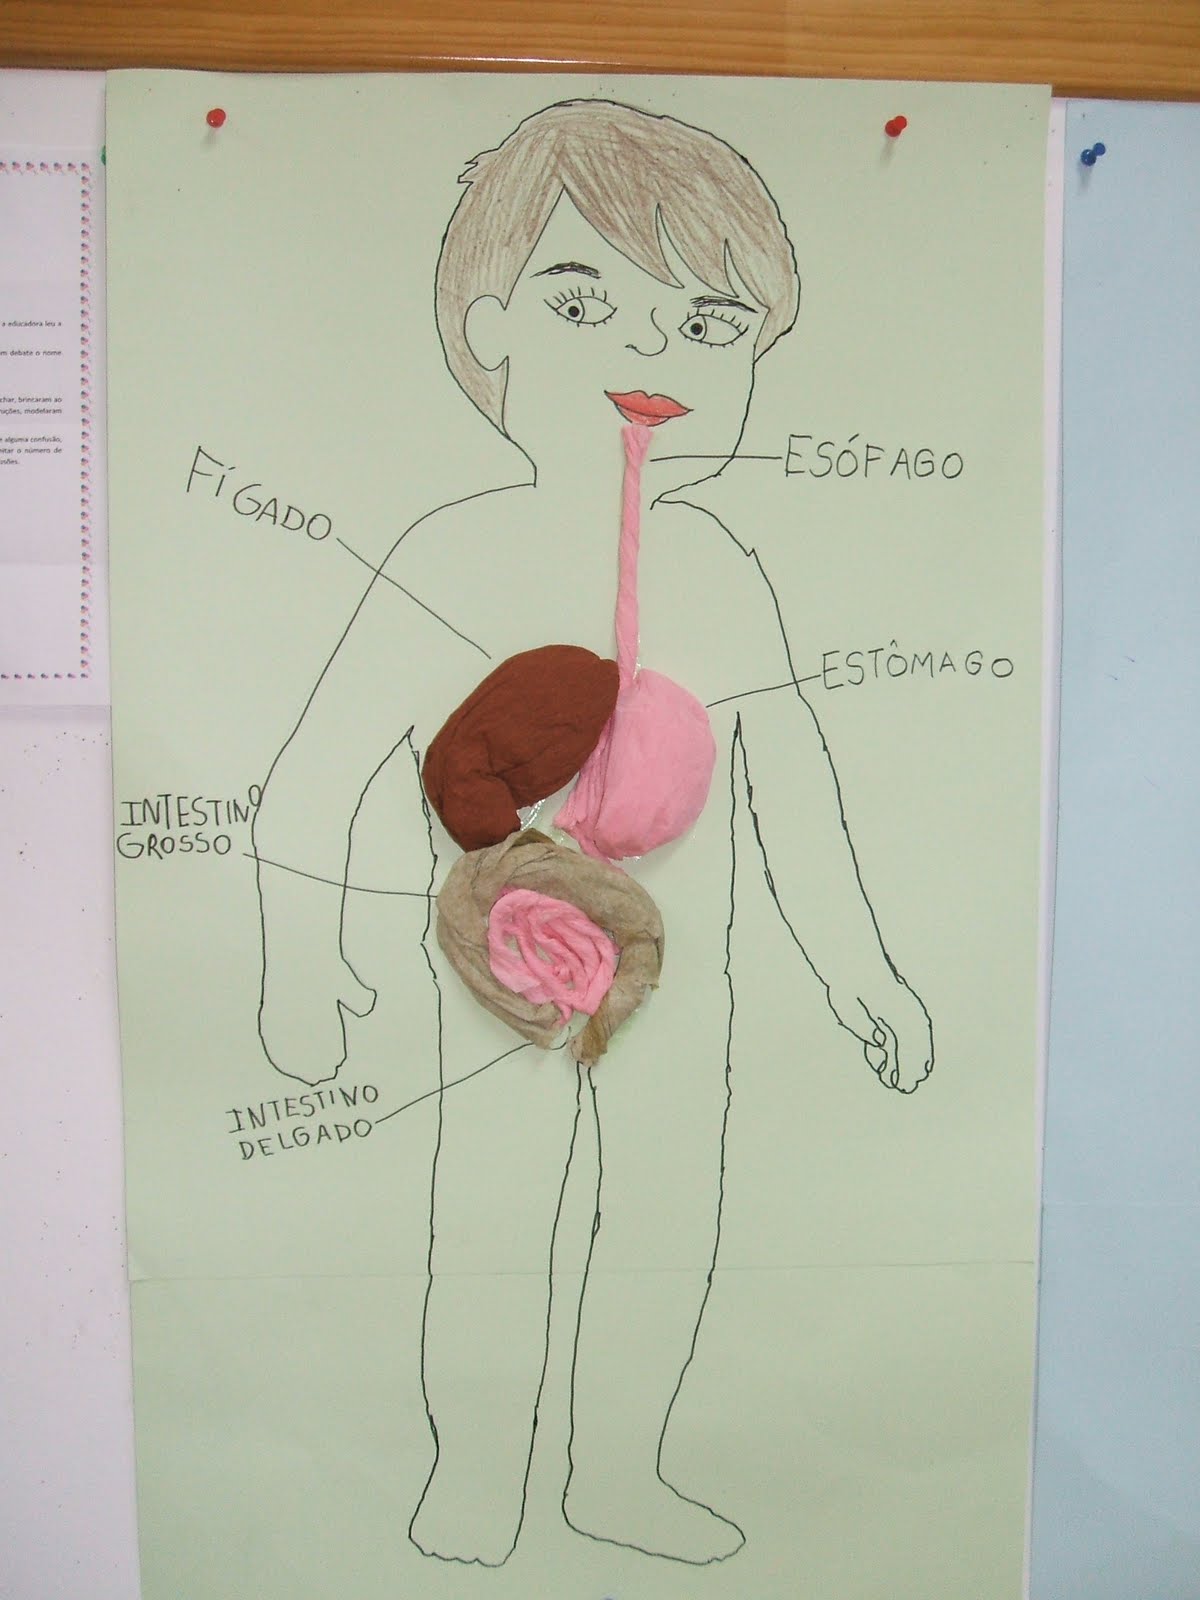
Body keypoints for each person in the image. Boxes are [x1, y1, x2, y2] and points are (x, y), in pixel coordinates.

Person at [252, 98, 933, 1569]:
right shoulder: (448, 550)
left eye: (709, 323)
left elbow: (798, 786)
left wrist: (862, 971)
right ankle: (473, 1479)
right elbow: (317, 769)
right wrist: (296, 958)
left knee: (667, 1210)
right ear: (491, 322)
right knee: (493, 1211)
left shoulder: (723, 566)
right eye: (582, 302)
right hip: (496, 979)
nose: (649, 351)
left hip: (680, 990)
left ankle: (619, 1472)